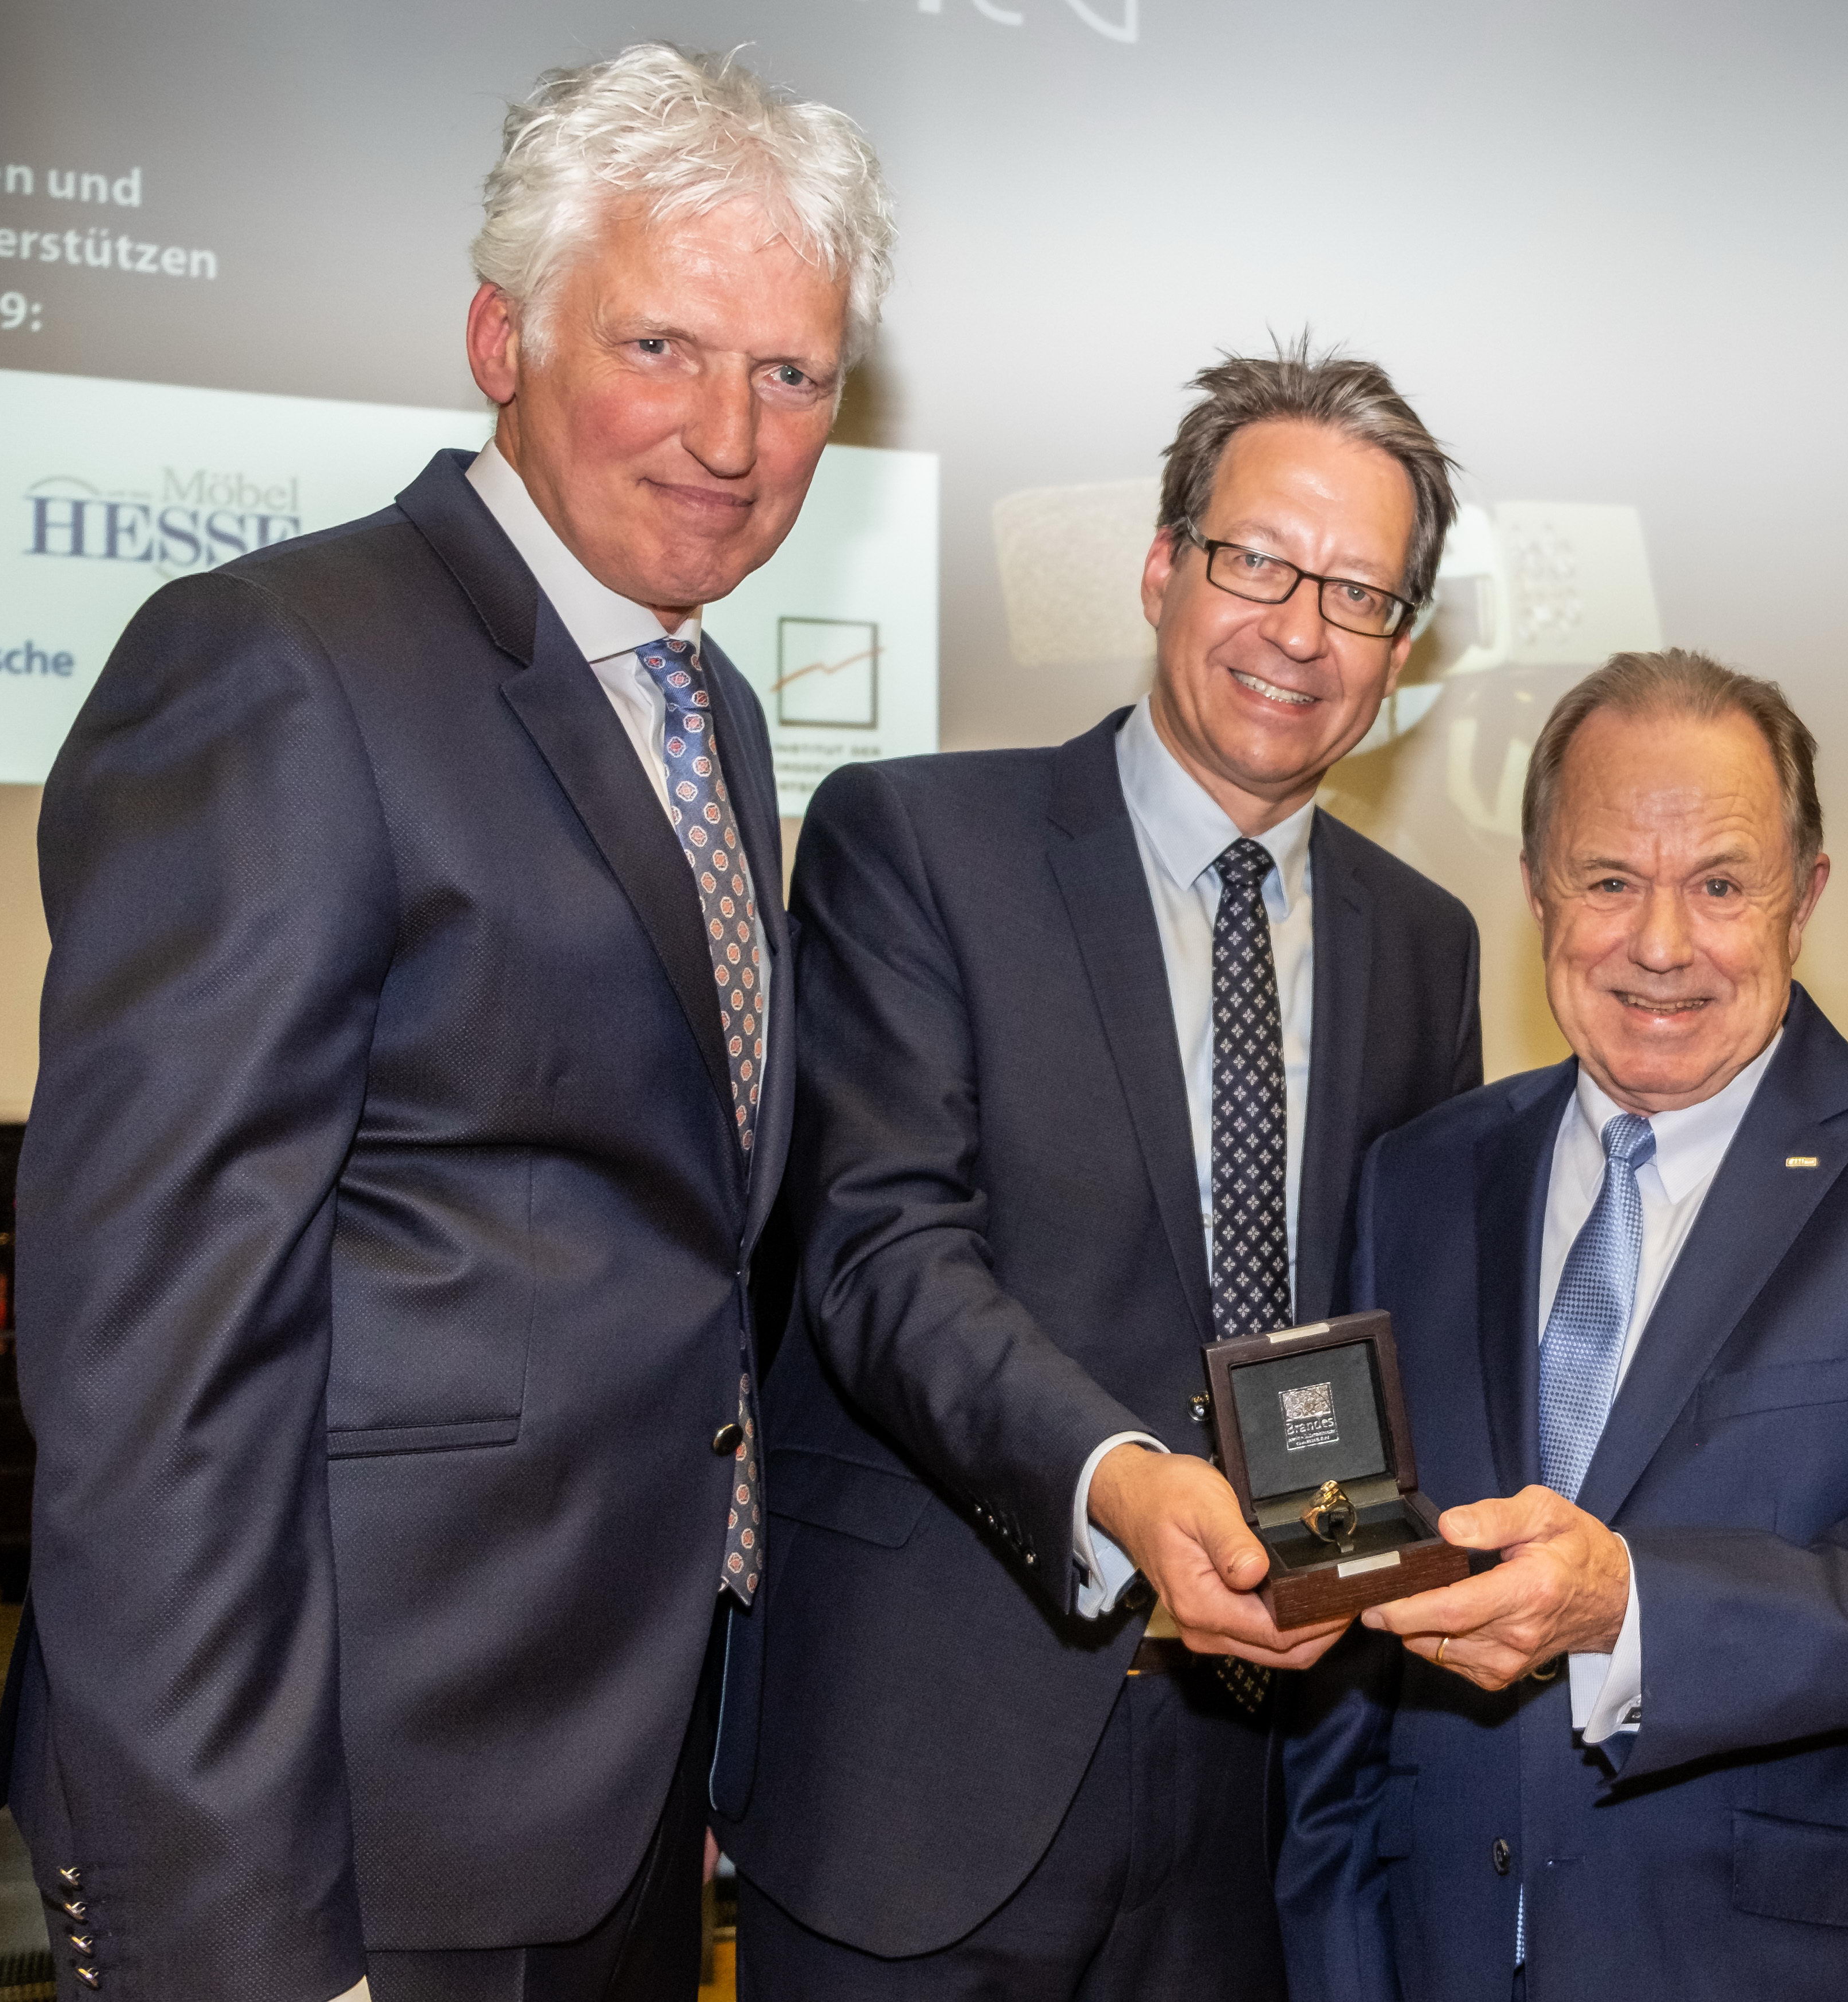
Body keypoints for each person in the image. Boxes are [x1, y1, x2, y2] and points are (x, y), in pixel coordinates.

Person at [0, 46, 891, 2002]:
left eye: (791, 374)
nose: (730, 433)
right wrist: (242, 1941)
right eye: (659, 343)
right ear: (501, 334)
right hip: (338, 1835)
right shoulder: (279, 668)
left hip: (603, 1794)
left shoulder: (706, 708)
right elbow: (158, 1376)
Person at [714, 343, 1484, 2000]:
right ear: (1160, 567)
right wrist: (1125, 1485)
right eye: (1255, 560)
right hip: (923, 1767)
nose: (1297, 626)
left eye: (1355, 593)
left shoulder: (1425, 946)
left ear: (1401, 650)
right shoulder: (914, 841)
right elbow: (877, 1256)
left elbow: (1384, 1325)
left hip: (1253, 1796)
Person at [1279, 649, 1848, 2002]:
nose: (1662, 944)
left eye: (1720, 883)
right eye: (1608, 881)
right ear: (1537, 889)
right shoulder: (1417, 1176)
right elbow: (1347, 1605)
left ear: (1805, 896)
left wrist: (1630, 1607)